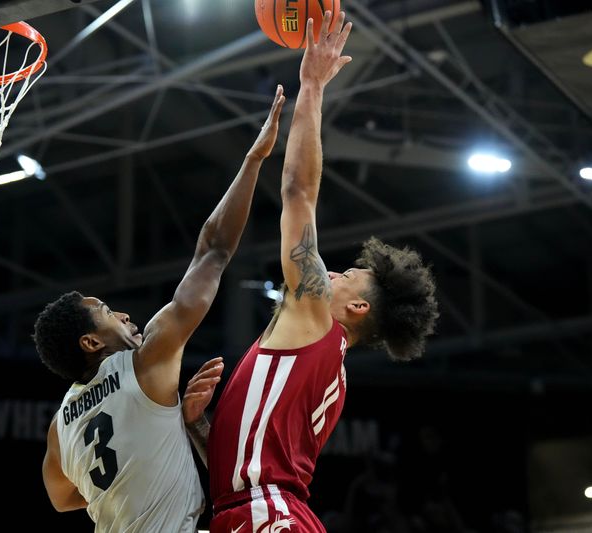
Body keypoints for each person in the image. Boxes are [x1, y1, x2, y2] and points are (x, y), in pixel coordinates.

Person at [203, 12, 439, 532]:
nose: (328, 272)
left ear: (357, 308)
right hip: (267, 513)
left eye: (346, 275)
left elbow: (298, 193)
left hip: (268, 517)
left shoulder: (315, 320)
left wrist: (312, 86)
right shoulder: (328, 365)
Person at [35, 85, 286, 533]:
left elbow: (61, 498)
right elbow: (213, 250)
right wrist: (253, 159)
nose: (125, 316)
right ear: (91, 341)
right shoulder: (145, 361)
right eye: (108, 311)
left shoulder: (61, 427)